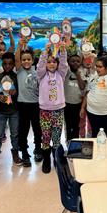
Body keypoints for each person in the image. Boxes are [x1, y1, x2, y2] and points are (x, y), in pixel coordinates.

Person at [36, 42, 68, 174]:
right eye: (49, 62)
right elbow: (39, 66)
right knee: (45, 137)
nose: (52, 64)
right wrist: (45, 52)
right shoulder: (41, 75)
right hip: (45, 111)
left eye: (54, 62)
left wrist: (62, 50)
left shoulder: (61, 74)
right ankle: (46, 160)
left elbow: (64, 63)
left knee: (56, 136)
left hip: (59, 110)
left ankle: (56, 159)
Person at [0, 52, 22, 169]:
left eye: (10, 64)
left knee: (15, 134)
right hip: (1, 112)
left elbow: (21, 92)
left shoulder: (17, 77)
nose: (7, 66)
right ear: (2, 64)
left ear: (14, 65)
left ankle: (15, 152)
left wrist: (16, 92)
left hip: (14, 111)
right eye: (5, 64)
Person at [15, 40, 42, 167]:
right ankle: (24, 153)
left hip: (36, 104)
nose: (26, 61)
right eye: (23, 59)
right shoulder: (19, 70)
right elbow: (16, 59)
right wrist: (19, 46)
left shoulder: (37, 71)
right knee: (23, 129)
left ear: (32, 60)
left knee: (37, 128)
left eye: (28, 59)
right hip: (23, 104)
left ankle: (38, 149)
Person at [80, 56, 107, 138]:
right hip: (91, 112)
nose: (97, 69)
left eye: (100, 67)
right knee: (95, 133)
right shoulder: (93, 77)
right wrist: (83, 108)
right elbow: (88, 93)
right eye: (97, 66)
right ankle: (96, 150)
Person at [64, 54, 86, 141]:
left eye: (78, 61)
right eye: (72, 61)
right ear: (68, 62)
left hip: (78, 104)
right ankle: (69, 143)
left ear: (81, 63)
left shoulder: (82, 73)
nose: (75, 63)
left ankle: (76, 143)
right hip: (67, 104)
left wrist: (78, 75)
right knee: (68, 126)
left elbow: (82, 87)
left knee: (76, 126)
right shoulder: (66, 72)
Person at [78, 56, 96, 137]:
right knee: (81, 119)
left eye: (90, 60)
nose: (88, 62)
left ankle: (90, 136)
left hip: (92, 98)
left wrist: (93, 57)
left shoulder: (95, 70)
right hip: (80, 98)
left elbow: (94, 61)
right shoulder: (79, 69)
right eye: (86, 60)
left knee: (91, 120)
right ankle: (82, 137)